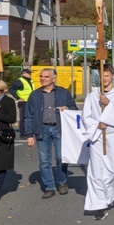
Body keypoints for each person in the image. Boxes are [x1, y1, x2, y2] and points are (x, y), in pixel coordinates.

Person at [81, 65, 114, 220]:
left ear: (112, 76)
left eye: (107, 76)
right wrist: (98, 124)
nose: (104, 79)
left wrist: (108, 105)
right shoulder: (92, 96)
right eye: (101, 76)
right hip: (97, 137)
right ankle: (100, 205)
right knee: (97, 172)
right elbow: (86, 117)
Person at [24, 68, 77, 198]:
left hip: (59, 129)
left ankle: (62, 182)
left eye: (46, 77)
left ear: (54, 78)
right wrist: (29, 135)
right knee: (44, 160)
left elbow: (74, 109)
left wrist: (68, 109)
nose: (43, 79)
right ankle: (49, 187)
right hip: (42, 130)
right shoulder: (35, 95)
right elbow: (28, 115)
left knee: (60, 158)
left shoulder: (64, 93)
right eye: (41, 76)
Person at [8, 68, 34, 137]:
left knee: (30, 117)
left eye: (30, 73)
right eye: (28, 73)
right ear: (24, 73)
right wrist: (18, 98)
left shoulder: (30, 80)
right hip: (24, 102)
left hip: (30, 102)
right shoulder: (20, 81)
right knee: (23, 118)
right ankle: (23, 133)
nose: (30, 74)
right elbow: (11, 89)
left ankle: (29, 131)